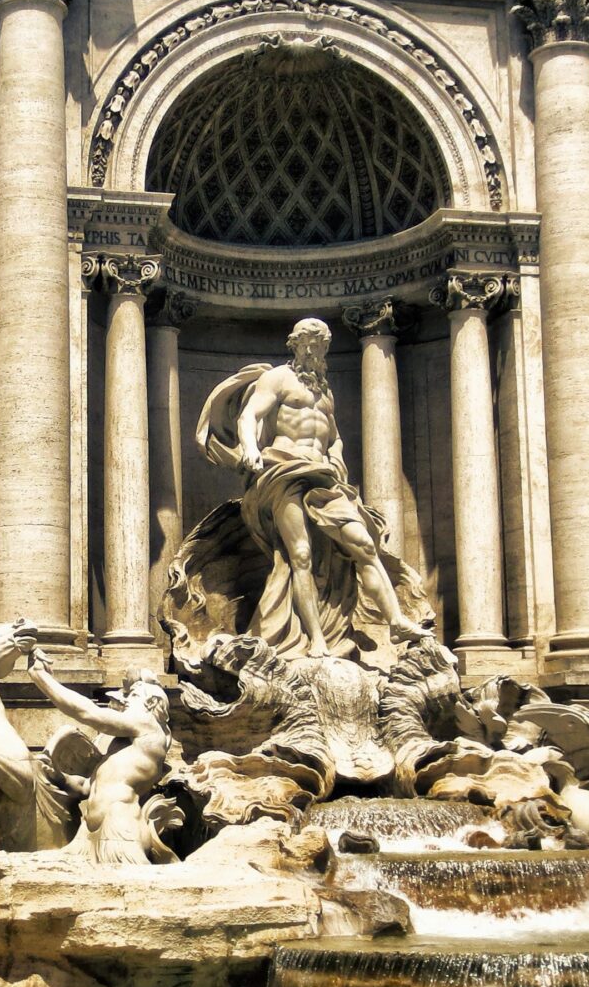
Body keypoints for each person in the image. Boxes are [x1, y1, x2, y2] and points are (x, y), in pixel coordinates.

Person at [198, 318, 412, 658]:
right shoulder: (277, 378)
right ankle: (316, 640)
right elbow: (249, 416)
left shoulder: (324, 391)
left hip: (324, 477)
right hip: (283, 470)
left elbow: (335, 436)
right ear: (294, 345)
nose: (314, 350)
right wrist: (251, 448)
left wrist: (337, 457)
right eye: (307, 343)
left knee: (364, 544)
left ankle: (397, 621)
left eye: (321, 344)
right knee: (300, 556)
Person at [27, 658, 177, 865]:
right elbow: (86, 787)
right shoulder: (120, 747)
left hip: (119, 829)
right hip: (88, 833)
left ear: (151, 703)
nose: (124, 701)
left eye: (132, 696)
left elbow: (89, 712)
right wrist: (57, 775)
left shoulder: (148, 726)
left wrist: (41, 678)